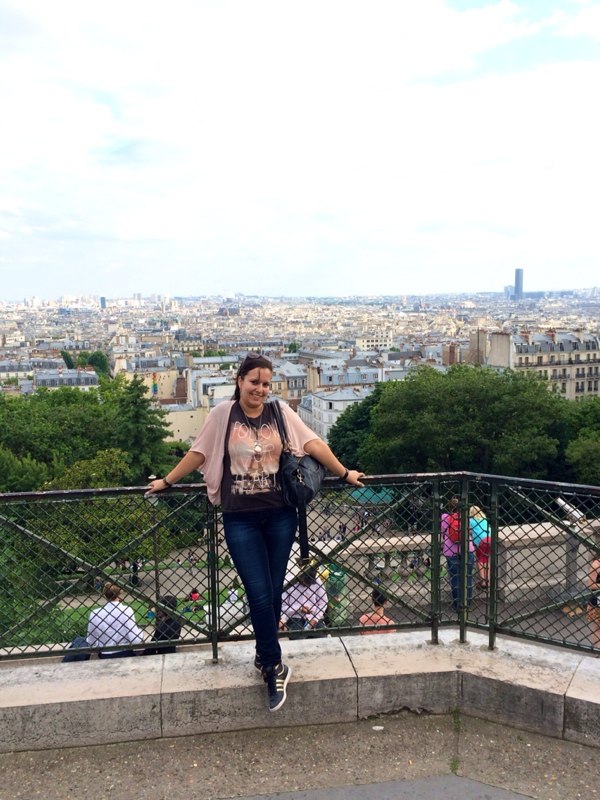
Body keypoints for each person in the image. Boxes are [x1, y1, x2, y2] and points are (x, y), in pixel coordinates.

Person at [145, 352, 364, 712]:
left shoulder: (280, 412)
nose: (260, 389)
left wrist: (344, 473)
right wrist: (167, 481)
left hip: (280, 515)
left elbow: (313, 444)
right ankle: (274, 668)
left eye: (265, 383)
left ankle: (265, 656)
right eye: (254, 382)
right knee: (259, 594)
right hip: (240, 518)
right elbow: (199, 453)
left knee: (273, 592)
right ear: (239, 381)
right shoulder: (223, 414)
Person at [86, 582, 144, 658]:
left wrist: (100, 643)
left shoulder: (95, 613)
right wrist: (141, 632)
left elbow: (91, 641)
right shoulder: (126, 610)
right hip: (124, 653)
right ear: (120, 594)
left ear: (105, 594)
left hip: (105, 655)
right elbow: (135, 640)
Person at [441, 497, 474, 612]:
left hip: (451, 550)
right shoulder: (466, 517)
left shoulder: (445, 517)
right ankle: (467, 604)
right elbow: (470, 531)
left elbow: (443, 532)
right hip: (467, 548)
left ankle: (457, 605)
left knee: (455, 577)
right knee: (468, 576)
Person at [280, 565, 328, 639]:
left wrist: (315, 619)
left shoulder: (317, 581)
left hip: (313, 616)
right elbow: (282, 606)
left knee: (322, 636)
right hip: (295, 617)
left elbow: (323, 602)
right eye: (305, 582)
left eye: (310, 584)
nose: (308, 585)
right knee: (298, 639)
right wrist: (299, 609)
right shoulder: (288, 582)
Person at [469, 505, 491, 590]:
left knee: (480, 560)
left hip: (481, 541)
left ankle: (483, 581)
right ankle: (488, 579)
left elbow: (469, 530)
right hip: (490, 539)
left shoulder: (471, 520)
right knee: (486, 559)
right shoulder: (484, 519)